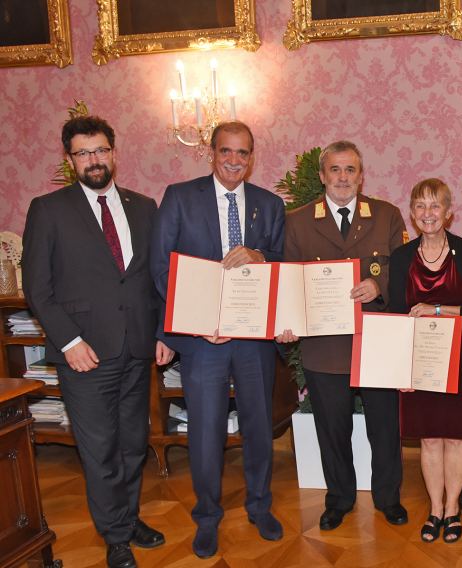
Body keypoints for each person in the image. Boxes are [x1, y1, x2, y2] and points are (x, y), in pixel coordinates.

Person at [22, 115, 174, 568]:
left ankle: (127, 519)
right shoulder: (48, 210)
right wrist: (69, 341)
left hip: (137, 349)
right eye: (84, 153)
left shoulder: (145, 206)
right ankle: (115, 537)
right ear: (70, 160)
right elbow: (38, 288)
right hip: (84, 354)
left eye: (101, 150)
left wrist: (164, 332)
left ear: (114, 152)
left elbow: (158, 279)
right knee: (100, 449)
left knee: (132, 443)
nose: (94, 160)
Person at [150, 121, 286, 559]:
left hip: (252, 340)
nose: (234, 160)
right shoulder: (179, 196)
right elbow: (161, 268)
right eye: (226, 151)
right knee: (205, 431)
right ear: (211, 153)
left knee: (258, 426)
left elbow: (282, 264)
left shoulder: (269, 204)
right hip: (202, 339)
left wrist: (259, 255)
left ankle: (259, 506)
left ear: (252, 156)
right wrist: (188, 324)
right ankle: (207, 517)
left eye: (243, 153)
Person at [277, 140, 409, 531]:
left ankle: (388, 498)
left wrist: (378, 283)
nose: (342, 178)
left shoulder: (387, 215)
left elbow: (401, 272)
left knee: (384, 427)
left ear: (361, 175)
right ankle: (338, 499)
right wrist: (287, 322)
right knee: (332, 428)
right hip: (325, 345)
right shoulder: (298, 221)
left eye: (350, 170)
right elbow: (289, 281)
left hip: (375, 340)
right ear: (321, 176)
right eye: (334, 170)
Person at [388, 178, 462, 543]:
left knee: (457, 439)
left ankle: (454, 508)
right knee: (429, 439)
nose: (428, 213)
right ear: (412, 213)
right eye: (420, 206)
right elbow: (397, 314)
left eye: (435, 206)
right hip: (419, 355)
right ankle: (435, 509)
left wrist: (438, 308)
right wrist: (399, 366)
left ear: (448, 212)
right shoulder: (400, 258)